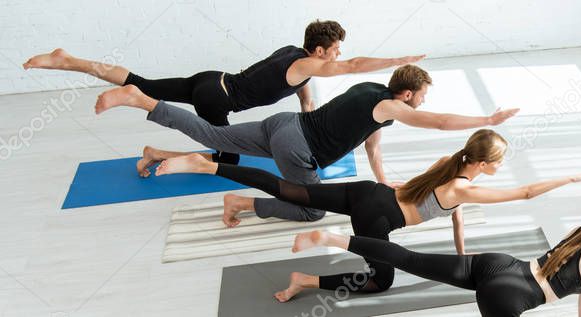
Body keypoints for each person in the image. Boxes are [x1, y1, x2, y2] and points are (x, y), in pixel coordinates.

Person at [154, 129, 581, 293]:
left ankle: (208, 164)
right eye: (498, 162)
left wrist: (461, 250)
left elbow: (453, 213)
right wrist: (567, 178)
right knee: (381, 280)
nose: (500, 168)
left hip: (369, 194)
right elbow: (522, 194)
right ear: (482, 164)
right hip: (377, 219)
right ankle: (308, 280)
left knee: (291, 190)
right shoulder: (467, 187)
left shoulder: (450, 165)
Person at [93, 64, 519, 221]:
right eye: (420, 96)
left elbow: (370, 143)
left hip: (283, 123)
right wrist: (486, 119)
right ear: (406, 94)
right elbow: (440, 121)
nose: (423, 103)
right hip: (296, 149)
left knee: (213, 134)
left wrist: (384, 178)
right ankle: (242, 203)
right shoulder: (393, 106)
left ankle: (143, 99)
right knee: (314, 208)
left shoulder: (372, 91)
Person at [282, 192, 581, 316]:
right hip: (509, 295)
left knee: (407, 259)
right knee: (410, 262)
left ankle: (336, 240)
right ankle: (333, 246)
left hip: (501, 264)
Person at [24, 19, 425, 165]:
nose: (341, 56)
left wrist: (308, 109)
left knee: (140, 79)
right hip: (217, 99)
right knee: (226, 154)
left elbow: (303, 91)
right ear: (319, 51)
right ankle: (158, 154)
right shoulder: (308, 64)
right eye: (335, 51)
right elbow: (353, 68)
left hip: (211, 79)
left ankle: (70, 60)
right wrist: (398, 59)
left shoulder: (297, 57)